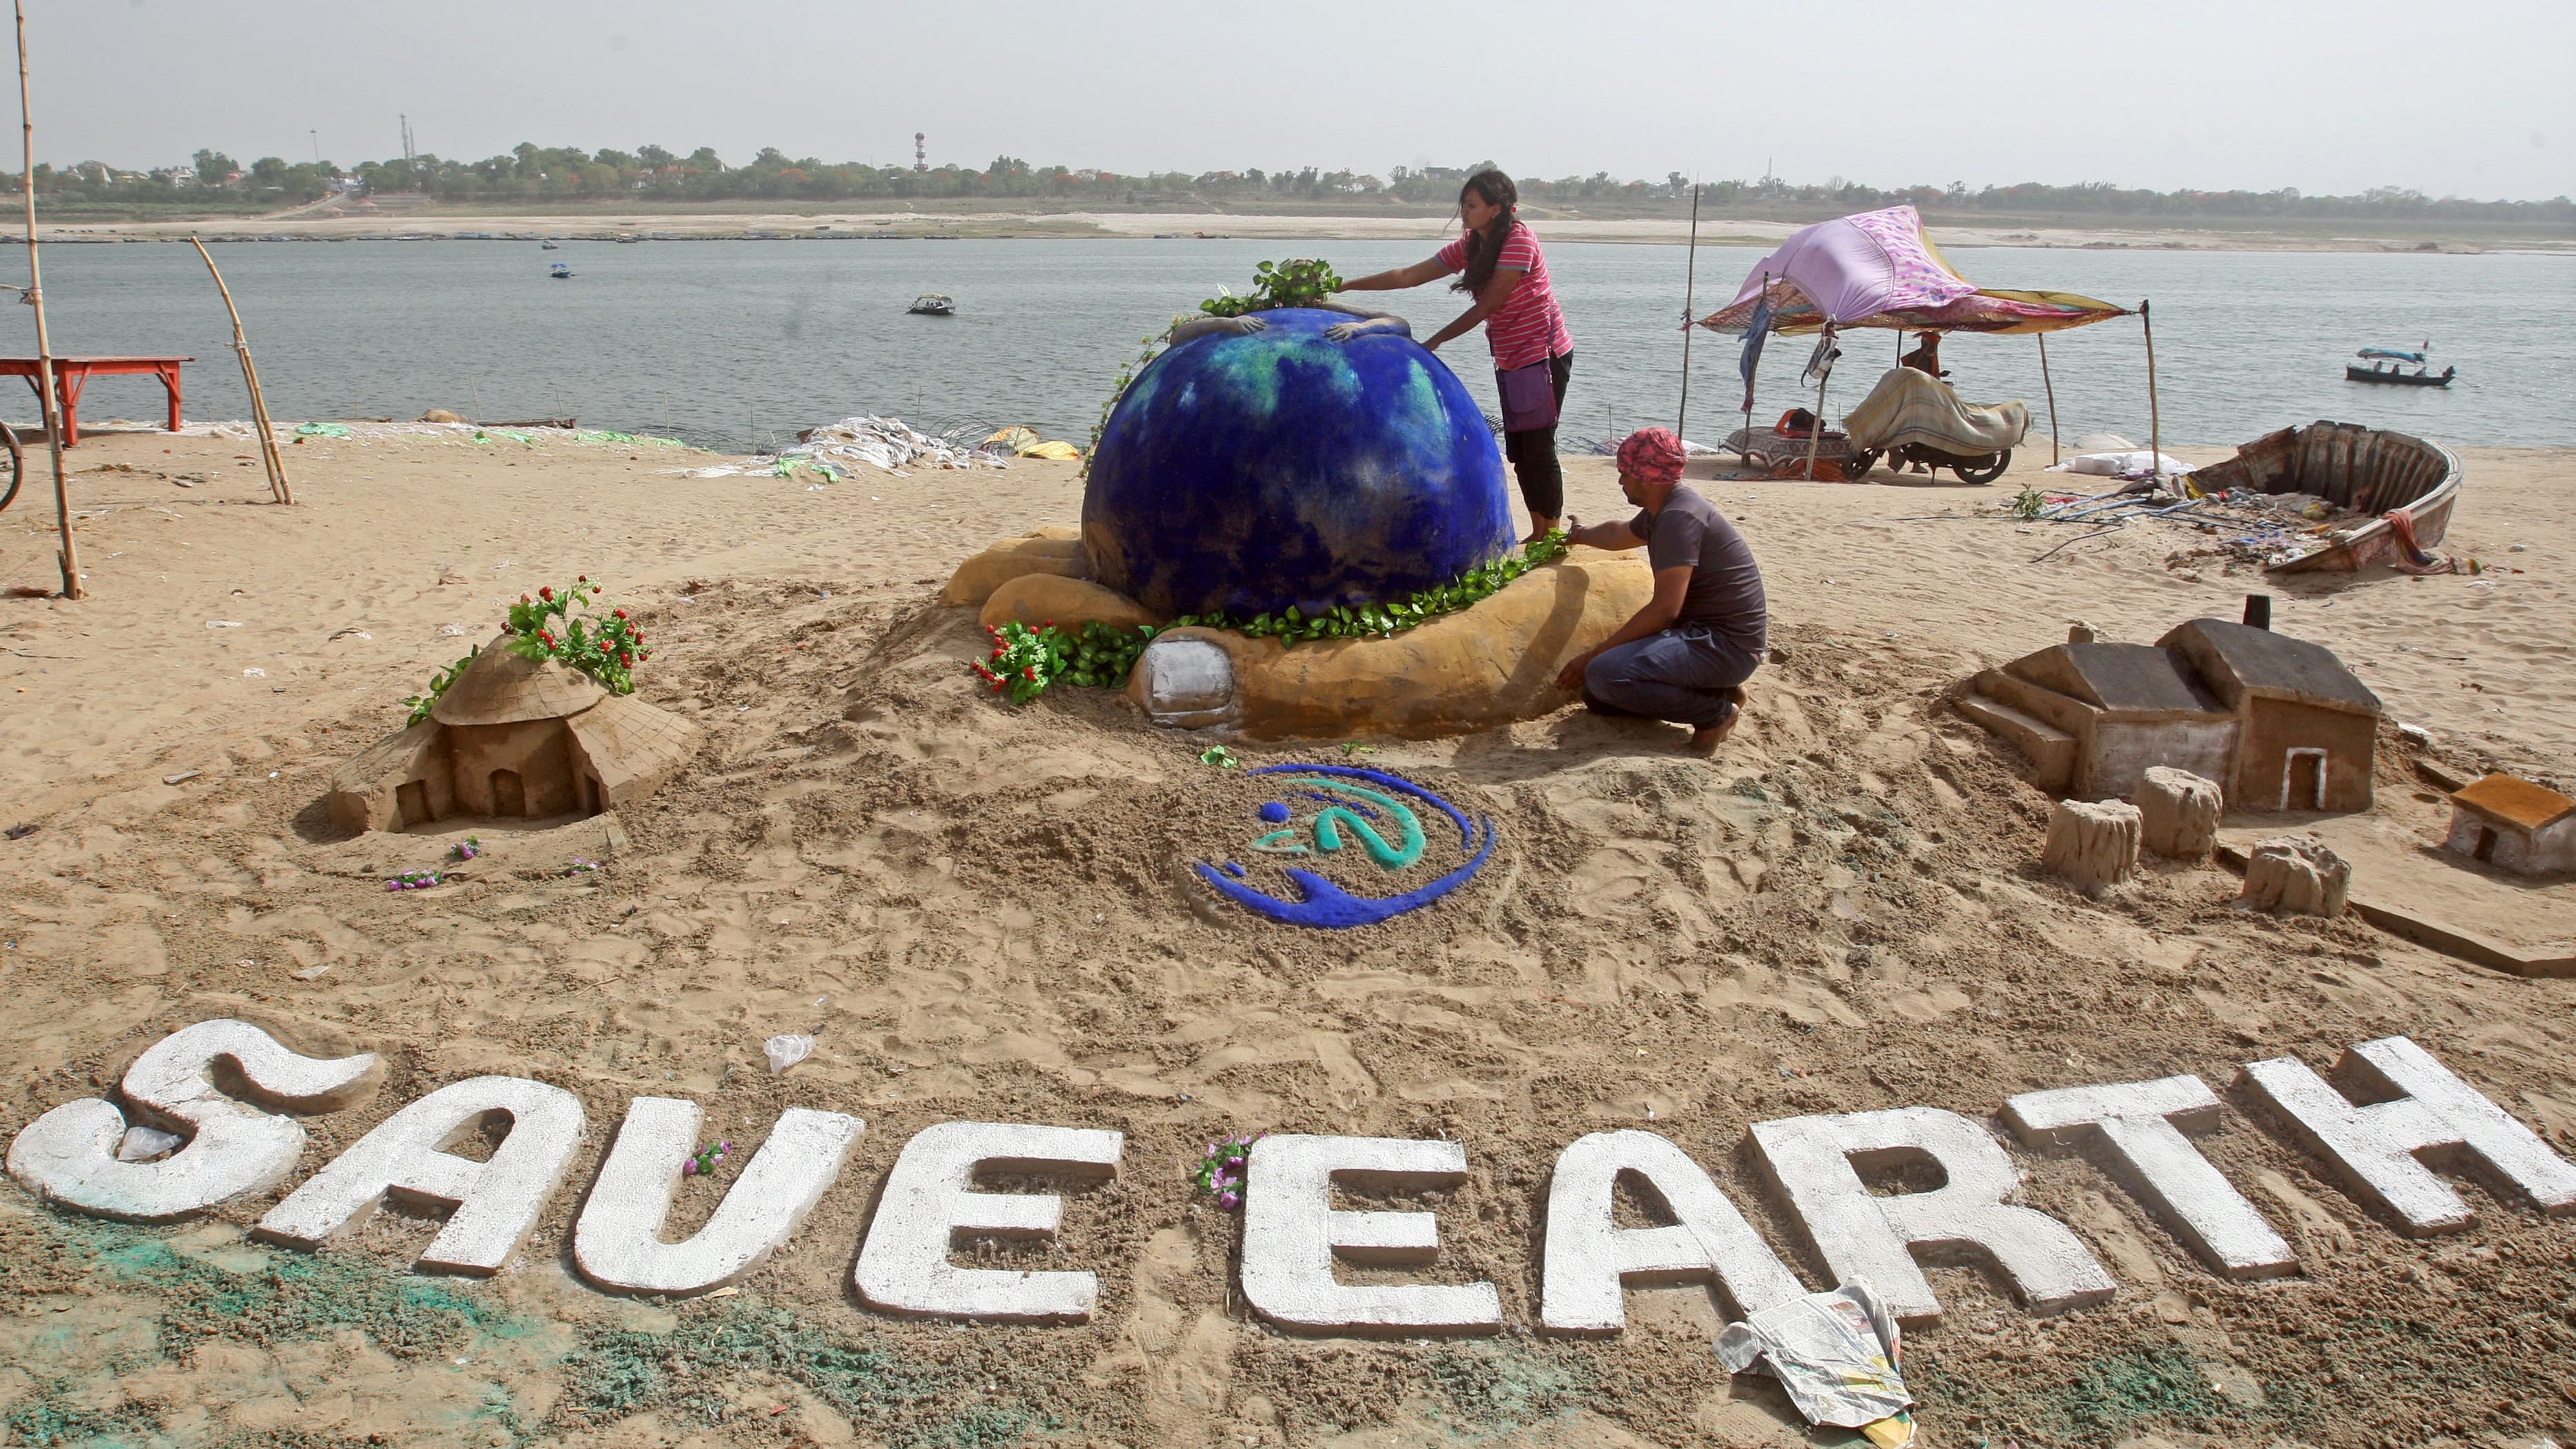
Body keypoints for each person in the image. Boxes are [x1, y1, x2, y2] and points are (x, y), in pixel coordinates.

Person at [1335, 168, 1575, 542]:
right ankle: (1538, 530)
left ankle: (1552, 534)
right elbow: (1408, 276)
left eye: (1472, 205)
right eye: (1463, 204)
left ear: (1497, 209)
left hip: (1541, 354)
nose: (1464, 211)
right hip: (1510, 354)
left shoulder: (1519, 240)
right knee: (1519, 449)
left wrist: (1435, 341)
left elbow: (1489, 304)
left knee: (1539, 446)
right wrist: (1344, 285)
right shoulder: (1471, 245)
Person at [1554, 427, 1766, 756]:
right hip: (1704, 638)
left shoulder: (1678, 518)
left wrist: (1591, 656)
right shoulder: (1665, 510)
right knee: (1597, 696)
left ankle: (1717, 715)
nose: (1621, 481)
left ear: (1646, 476)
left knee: (1604, 674)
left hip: (1725, 645)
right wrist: (1579, 535)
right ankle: (1720, 694)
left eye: (1625, 473)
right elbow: (1619, 534)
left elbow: (1666, 609)